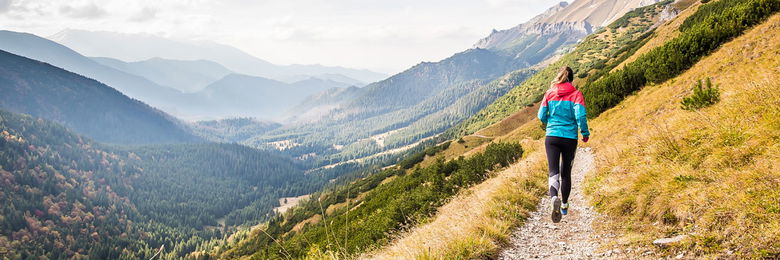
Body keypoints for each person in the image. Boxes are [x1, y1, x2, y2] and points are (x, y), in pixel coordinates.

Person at [537, 66, 590, 223]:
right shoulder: (576, 94)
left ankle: (554, 197)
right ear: (571, 79)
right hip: (569, 138)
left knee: (553, 171)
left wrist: (550, 122)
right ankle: (564, 205)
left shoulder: (549, 93)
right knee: (566, 173)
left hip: (552, 136)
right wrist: (585, 133)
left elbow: (541, 115)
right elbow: (580, 116)